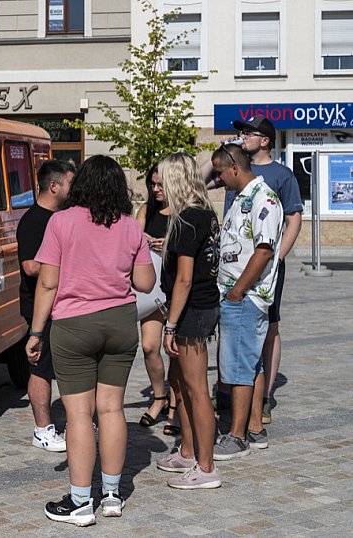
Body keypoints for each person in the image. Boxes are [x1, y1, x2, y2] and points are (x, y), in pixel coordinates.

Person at [26, 155, 155, 526]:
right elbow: (145, 284)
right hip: (119, 323)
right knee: (112, 409)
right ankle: (113, 494)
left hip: (74, 325)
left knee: (80, 413)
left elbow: (48, 282)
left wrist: (36, 333)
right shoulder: (130, 226)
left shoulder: (60, 222)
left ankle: (81, 501)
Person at [152, 153, 221, 489]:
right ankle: (189, 450)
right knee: (181, 386)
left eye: (161, 180)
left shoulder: (187, 219)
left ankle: (206, 468)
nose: (156, 187)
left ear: (176, 180)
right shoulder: (202, 213)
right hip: (199, 308)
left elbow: (184, 279)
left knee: (196, 391)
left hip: (192, 312)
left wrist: (170, 325)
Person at [211, 144, 283, 461]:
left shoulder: (262, 198)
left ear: (234, 168)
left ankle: (237, 435)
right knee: (251, 362)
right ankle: (254, 427)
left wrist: (238, 290)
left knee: (239, 367)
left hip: (245, 297)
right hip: (239, 295)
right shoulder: (242, 197)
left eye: (220, 172)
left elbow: (264, 250)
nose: (218, 178)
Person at [230, 117, 303, 431]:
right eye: (241, 132)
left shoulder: (282, 175)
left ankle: (264, 396)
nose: (242, 136)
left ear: (265, 140)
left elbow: (294, 218)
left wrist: (277, 258)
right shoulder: (235, 169)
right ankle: (232, 389)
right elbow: (199, 179)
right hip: (233, 266)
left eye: (248, 133)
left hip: (266, 265)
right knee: (234, 324)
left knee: (269, 325)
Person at [17, 159, 75, 452]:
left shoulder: (62, 217)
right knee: (40, 368)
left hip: (63, 305)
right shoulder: (33, 221)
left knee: (62, 366)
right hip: (40, 307)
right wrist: (66, 262)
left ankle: (75, 421)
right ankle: (43, 430)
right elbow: (30, 266)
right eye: (69, 183)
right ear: (54, 186)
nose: (73, 189)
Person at [135, 165, 178, 435]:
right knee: (150, 346)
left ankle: (174, 406)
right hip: (151, 291)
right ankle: (159, 397)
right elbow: (130, 240)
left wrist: (170, 246)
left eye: (161, 184)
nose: (156, 189)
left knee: (174, 350)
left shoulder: (183, 212)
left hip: (175, 288)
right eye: (152, 184)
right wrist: (142, 240)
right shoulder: (145, 210)